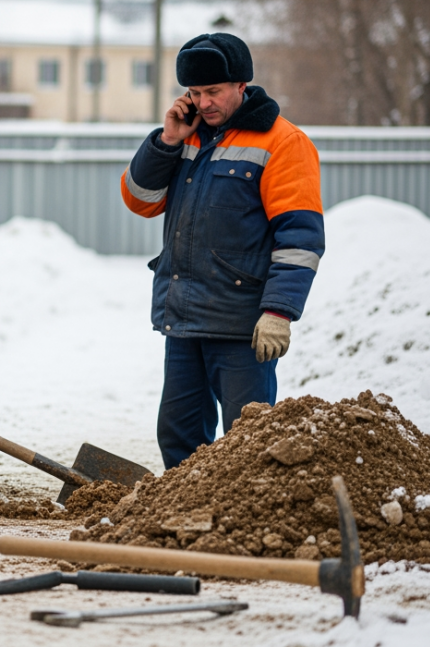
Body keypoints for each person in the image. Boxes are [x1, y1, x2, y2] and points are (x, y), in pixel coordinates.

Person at [120, 32, 324, 470]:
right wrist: (167, 140)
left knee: (248, 443)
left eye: (212, 92)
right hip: (184, 318)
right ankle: (183, 524)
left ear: (241, 86)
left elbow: (301, 238)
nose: (203, 102)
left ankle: (251, 528)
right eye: (194, 93)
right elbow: (140, 200)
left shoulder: (284, 143)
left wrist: (279, 311)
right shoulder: (188, 137)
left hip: (241, 326)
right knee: (177, 437)